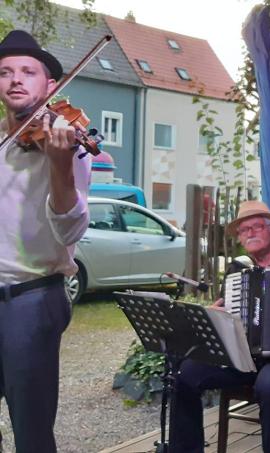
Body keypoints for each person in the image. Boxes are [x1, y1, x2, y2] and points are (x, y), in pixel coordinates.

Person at [172, 200, 270, 453]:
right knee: (185, 373)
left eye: (257, 226)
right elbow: (229, 325)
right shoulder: (238, 270)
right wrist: (215, 318)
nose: (250, 233)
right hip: (242, 361)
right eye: (244, 230)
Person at [0, 30, 90, 453]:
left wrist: (60, 166)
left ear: (49, 85)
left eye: (27, 71)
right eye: (4, 72)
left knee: (32, 433)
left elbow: (70, 231)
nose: (15, 79)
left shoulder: (67, 140)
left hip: (31, 298)